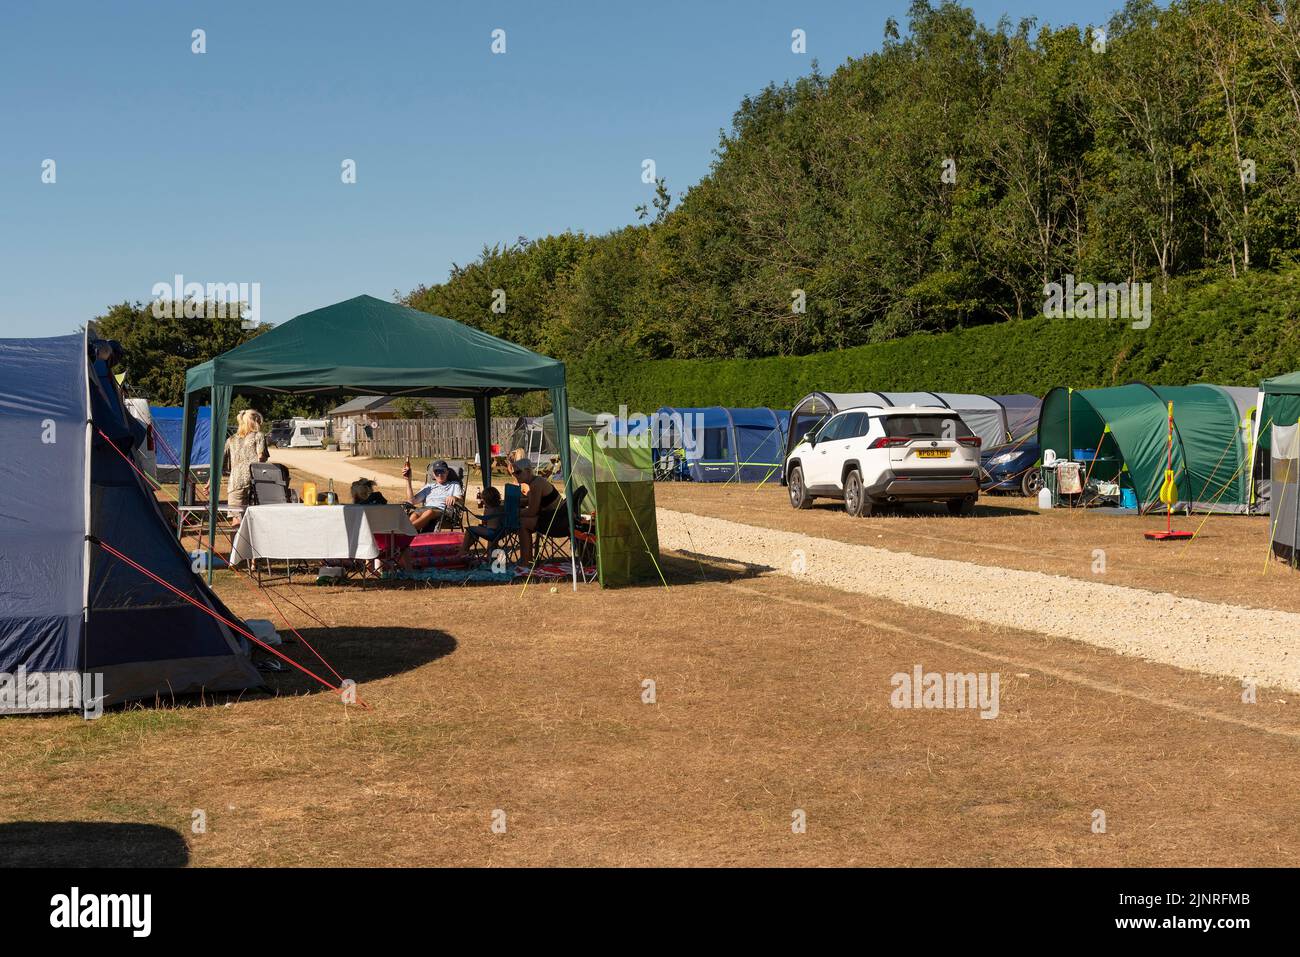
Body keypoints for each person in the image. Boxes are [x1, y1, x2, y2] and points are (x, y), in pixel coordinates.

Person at [514, 458, 567, 566]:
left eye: (518, 472)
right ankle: (527, 560)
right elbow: (532, 502)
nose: (516, 475)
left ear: (528, 471)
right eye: (514, 472)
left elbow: (532, 511)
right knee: (523, 520)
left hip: (556, 521)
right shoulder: (537, 481)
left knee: (522, 523)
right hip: (556, 517)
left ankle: (526, 562)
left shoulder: (536, 484)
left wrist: (514, 512)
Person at [224, 409, 269, 526]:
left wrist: (209, 483)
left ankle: (235, 544)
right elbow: (261, 458)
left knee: (236, 520)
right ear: (255, 422)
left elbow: (220, 464)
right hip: (254, 482)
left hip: (235, 483)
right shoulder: (259, 436)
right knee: (255, 521)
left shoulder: (231, 440)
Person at [403, 458, 462, 531]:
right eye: (437, 472)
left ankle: (406, 531)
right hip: (425, 509)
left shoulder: (454, 485)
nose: (440, 474)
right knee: (414, 514)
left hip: (444, 512)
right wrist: (408, 480)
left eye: (442, 471)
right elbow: (412, 501)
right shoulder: (428, 487)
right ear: (433, 474)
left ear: (447, 472)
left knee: (429, 512)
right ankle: (407, 533)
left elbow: (460, 500)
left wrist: (454, 498)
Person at [458, 486, 503, 555]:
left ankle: (463, 549)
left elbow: (485, 522)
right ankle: (490, 556)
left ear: (486, 500)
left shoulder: (488, 510)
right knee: (479, 531)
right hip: (501, 532)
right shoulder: (502, 508)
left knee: (470, 530)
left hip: (491, 533)